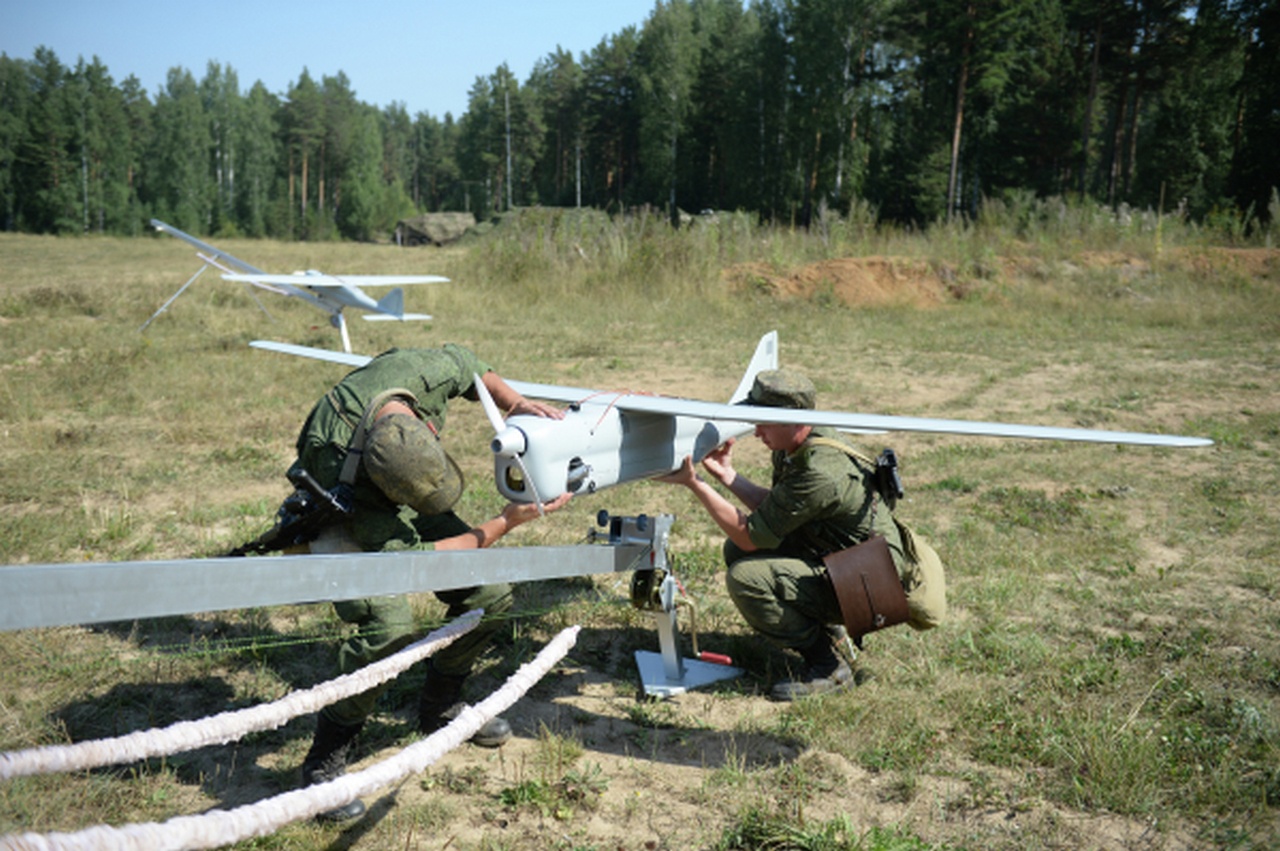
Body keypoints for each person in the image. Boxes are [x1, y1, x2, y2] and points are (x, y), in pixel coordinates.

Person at [286, 344, 570, 822]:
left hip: (387, 477)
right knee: (388, 629)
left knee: (489, 595)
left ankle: (441, 705)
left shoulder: (420, 374)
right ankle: (325, 760)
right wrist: (505, 522)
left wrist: (514, 402)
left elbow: (468, 363)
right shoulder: (338, 466)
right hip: (351, 506)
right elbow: (417, 563)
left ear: (428, 428)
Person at [659, 368, 945, 702]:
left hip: (872, 583)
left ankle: (827, 667)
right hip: (844, 559)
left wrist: (695, 483)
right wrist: (728, 476)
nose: (757, 432)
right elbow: (780, 510)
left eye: (764, 422)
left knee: (747, 577)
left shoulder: (820, 470)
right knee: (738, 553)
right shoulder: (801, 441)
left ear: (794, 421)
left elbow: (751, 534)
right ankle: (827, 631)